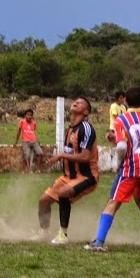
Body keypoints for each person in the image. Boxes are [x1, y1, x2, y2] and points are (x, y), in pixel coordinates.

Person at [86, 87, 140, 252]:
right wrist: (118, 139)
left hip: (134, 165)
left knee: (113, 201)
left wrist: (118, 163)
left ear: (125, 101)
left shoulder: (121, 119)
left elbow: (122, 147)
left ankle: (98, 241)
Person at [38, 97, 98, 244]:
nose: (76, 102)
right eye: (75, 101)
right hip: (68, 176)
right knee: (43, 201)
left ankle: (63, 235)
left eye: (81, 103)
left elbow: (85, 157)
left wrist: (61, 156)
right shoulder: (69, 129)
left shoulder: (86, 129)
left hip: (86, 176)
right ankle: (44, 233)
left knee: (64, 193)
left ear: (86, 112)